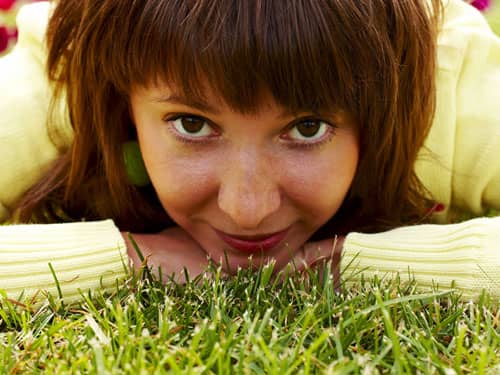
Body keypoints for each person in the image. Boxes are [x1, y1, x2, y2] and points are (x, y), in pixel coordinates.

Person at [0, 0, 498, 305]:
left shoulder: (444, 85)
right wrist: (133, 257)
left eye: (307, 128)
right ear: (123, 100)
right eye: (192, 124)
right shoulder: (66, 84)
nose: (247, 209)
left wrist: (355, 264)